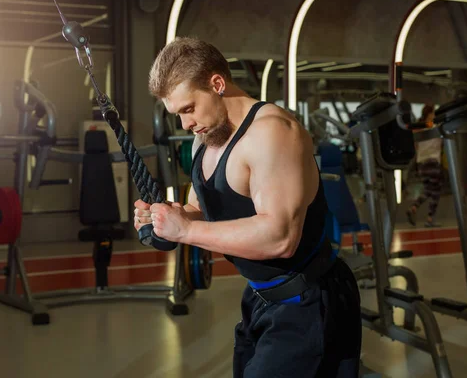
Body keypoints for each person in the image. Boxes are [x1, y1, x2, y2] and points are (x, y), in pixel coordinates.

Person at [133, 37, 362, 377]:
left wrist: (188, 230)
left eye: (188, 108)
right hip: (260, 300)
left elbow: (280, 238)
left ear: (217, 83)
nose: (185, 124)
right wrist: (167, 222)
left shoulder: (272, 133)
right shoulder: (205, 138)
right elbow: (201, 209)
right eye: (177, 114)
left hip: (308, 302)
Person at [406, 104, 444, 228]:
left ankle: (414, 207)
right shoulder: (435, 127)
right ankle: (430, 218)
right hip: (433, 162)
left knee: (428, 191)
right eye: (433, 112)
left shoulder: (419, 128)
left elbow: (415, 145)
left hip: (421, 163)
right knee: (436, 192)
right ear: (430, 114)